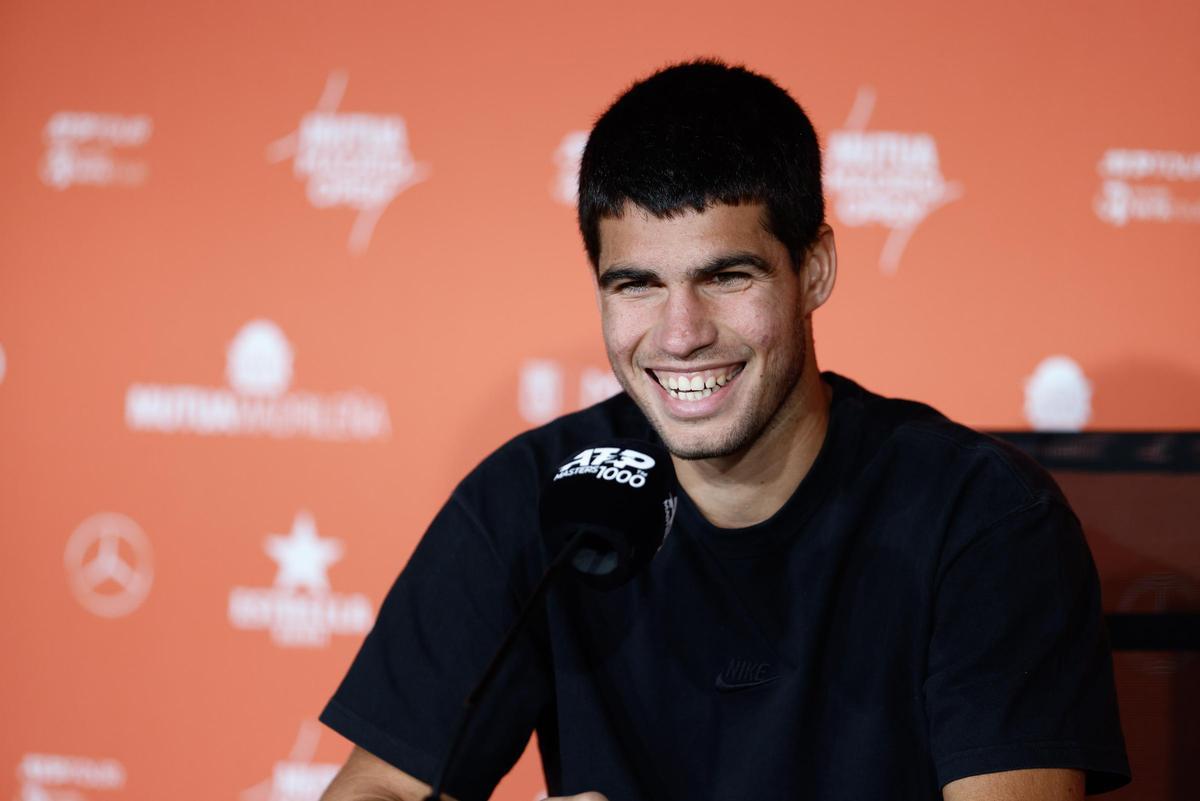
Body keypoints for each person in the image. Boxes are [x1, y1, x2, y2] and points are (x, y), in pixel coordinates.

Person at [318, 59, 1130, 801]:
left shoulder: (982, 517)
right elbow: (375, 788)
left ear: (814, 270)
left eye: (725, 276)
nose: (679, 334)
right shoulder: (534, 498)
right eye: (636, 285)